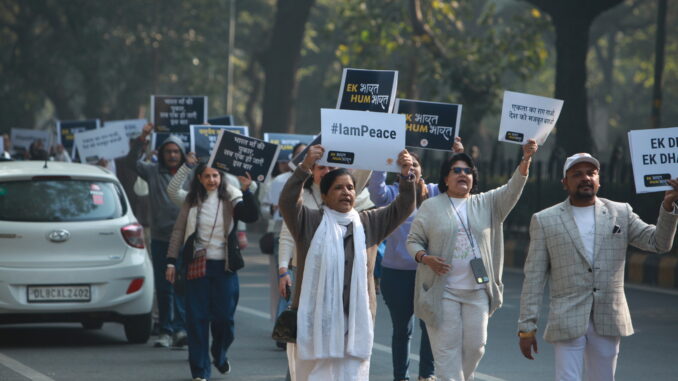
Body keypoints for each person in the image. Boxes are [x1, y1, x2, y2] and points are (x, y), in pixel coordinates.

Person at [517, 153, 678, 381]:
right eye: (577, 174)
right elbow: (533, 277)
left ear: (599, 180)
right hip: (567, 315)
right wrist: (526, 327)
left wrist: (668, 206)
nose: (585, 178)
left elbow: (658, 243)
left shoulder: (620, 212)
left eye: (591, 173)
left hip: (608, 316)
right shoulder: (545, 220)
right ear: (565, 182)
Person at [279, 145, 416, 381]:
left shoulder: (369, 222)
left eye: (350, 187)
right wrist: (303, 168)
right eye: (338, 188)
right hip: (316, 322)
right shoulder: (309, 222)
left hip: (355, 323)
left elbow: (404, 206)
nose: (346, 192)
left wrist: (405, 175)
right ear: (324, 195)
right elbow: (288, 202)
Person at [407, 139, 538, 381]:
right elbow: (413, 240)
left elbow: (513, 187)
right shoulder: (431, 207)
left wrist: (526, 159)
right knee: (447, 352)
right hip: (442, 291)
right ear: (446, 178)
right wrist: (425, 258)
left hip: (478, 291)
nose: (462, 174)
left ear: (473, 178)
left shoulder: (487, 203)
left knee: (476, 348)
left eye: (467, 171)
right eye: (456, 170)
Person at [368, 137, 464, 381]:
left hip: (429, 273)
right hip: (396, 273)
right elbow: (375, 190)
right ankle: (401, 376)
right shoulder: (392, 194)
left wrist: (456, 155)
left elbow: (454, 182)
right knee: (402, 329)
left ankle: (427, 375)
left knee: (429, 327)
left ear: (423, 171)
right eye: (405, 167)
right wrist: (382, 157)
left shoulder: (434, 193)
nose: (410, 170)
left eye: (414, 167)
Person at [165, 162, 258, 381]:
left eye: (215, 175)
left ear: (221, 177)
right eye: (207, 176)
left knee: (224, 318)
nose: (212, 180)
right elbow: (178, 229)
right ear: (199, 178)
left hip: (224, 268)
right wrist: (171, 261)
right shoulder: (190, 200)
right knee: (196, 320)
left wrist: (248, 189)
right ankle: (200, 371)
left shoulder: (231, 195)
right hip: (197, 265)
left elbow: (251, 215)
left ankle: (219, 353)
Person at [125, 122, 188, 348]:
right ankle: (165, 330)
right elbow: (130, 161)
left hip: (186, 239)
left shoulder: (190, 172)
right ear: (161, 153)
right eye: (168, 151)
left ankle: (181, 329)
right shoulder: (152, 171)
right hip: (161, 238)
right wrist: (143, 138)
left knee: (182, 285)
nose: (172, 155)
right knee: (163, 286)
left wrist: (204, 134)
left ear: (182, 154)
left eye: (176, 151)